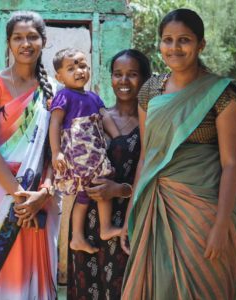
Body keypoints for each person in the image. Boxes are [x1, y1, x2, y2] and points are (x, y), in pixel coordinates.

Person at [120, 8, 236, 300]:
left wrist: (221, 225)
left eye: (184, 40)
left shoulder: (222, 95)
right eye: (167, 40)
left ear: (201, 44)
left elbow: (231, 164)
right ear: (159, 44)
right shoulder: (150, 92)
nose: (175, 48)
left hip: (203, 213)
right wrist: (132, 213)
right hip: (155, 206)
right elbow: (146, 156)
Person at [0, 11, 59, 300]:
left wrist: (44, 194)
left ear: (43, 41)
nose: (26, 43)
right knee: (7, 273)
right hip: (5, 195)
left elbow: (54, 152)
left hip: (42, 197)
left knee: (39, 270)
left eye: (32, 36)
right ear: (9, 43)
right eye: (18, 38)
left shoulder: (54, 90)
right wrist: (21, 197)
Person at [66, 49, 151, 299]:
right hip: (89, 217)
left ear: (145, 79)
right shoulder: (95, 117)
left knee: (121, 287)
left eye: (132, 74)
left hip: (127, 218)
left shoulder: (152, 125)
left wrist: (119, 190)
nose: (123, 81)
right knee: (86, 286)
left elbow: (156, 177)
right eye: (118, 74)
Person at [49, 48, 122, 254]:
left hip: (94, 153)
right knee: (100, 182)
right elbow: (55, 123)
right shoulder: (64, 96)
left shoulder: (93, 97)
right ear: (59, 76)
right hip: (78, 153)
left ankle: (79, 237)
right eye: (71, 68)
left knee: (87, 192)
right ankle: (104, 228)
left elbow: (105, 118)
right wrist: (56, 152)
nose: (79, 71)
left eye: (82, 66)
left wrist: (119, 139)